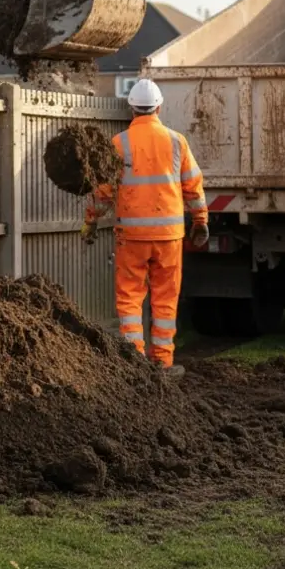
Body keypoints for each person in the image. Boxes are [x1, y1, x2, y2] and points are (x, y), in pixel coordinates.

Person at [81, 79, 210, 378]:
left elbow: (103, 192)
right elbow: (193, 184)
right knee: (165, 298)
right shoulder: (177, 141)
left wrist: (90, 221)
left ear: (131, 109)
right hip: (169, 237)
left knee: (129, 298)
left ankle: (133, 362)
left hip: (132, 237)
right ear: (159, 107)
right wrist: (201, 219)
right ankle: (163, 362)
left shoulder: (119, 144)